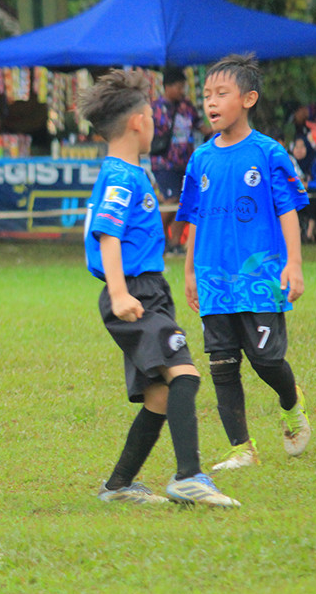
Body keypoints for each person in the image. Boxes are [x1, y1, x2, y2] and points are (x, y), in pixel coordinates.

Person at [78, 69, 239, 508]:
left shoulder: (127, 171)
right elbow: (108, 236)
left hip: (144, 290)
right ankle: (188, 476)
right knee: (184, 374)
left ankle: (117, 487)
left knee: (160, 395)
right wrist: (119, 293)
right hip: (134, 292)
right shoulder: (121, 177)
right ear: (137, 123)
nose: (155, 122)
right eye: (151, 115)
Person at [177, 53, 312, 473]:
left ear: (249, 99)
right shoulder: (200, 159)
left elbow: (288, 209)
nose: (211, 102)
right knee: (221, 365)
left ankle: (292, 404)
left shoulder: (269, 153)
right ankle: (242, 448)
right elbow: (193, 219)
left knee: (267, 359)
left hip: (260, 275)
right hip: (214, 279)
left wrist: (294, 264)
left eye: (222, 93)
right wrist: (188, 272)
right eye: (206, 95)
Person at [150, 66, 208, 255]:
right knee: (171, 199)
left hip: (186, 163)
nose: (182, 91)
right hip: (163, 162)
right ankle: (154, 238)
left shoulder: (187, 106)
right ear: (167, 86)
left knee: (185, 202)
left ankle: (174, 243)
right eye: (179, 86)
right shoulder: (155, 108)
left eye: (184, 87)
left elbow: (201, 126)